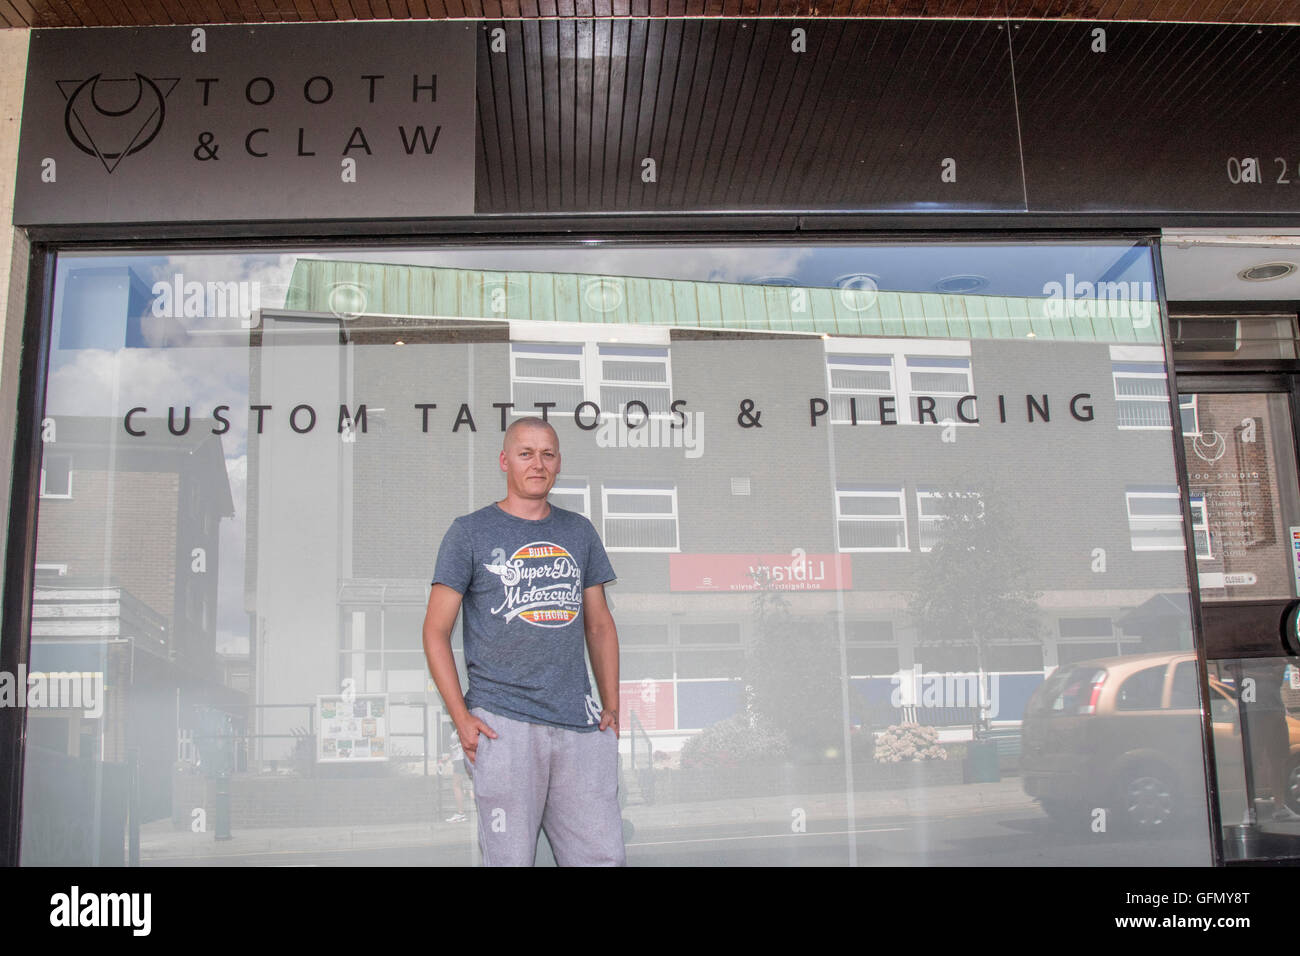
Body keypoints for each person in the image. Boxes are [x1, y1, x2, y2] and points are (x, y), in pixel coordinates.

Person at [421, 416, 625, 865]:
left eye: (548, 454)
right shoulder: (469, 532)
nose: (538, 463)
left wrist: (611, 706)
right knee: (510, 860)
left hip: (581, 724)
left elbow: (600, 625)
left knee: (603, 858)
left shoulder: (579, 531)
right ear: (504, 461)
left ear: (558, 464)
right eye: (526, 453)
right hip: (503, 723)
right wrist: (462, 717)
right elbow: (435, 632)